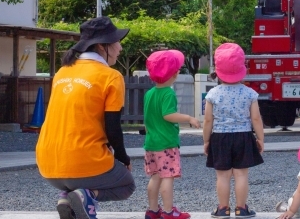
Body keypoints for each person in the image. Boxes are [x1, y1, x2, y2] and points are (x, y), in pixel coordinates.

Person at [36, 16, 135, 219]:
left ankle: (67, 197)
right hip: (83, 163)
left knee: (80, 182)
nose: (120, 48)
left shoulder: (62, 72)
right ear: (102, 46)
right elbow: (113, 126)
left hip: (47, 164)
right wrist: (123, 159)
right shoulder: (111, 76)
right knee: (127, 184)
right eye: (117, 42)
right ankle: (85, 195)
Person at [204, 43, 265, 218]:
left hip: (220, 137)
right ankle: (241, 208)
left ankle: (223, 208)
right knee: (241, 175)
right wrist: (260, 138)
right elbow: (256, 119)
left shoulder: (212, 94)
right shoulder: (250, 93)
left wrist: (206, 141)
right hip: (243, 136)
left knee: (222, 176)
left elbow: (209, 120)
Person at [143, 50, 201, 219]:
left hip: (151, 143)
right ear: (173, 74)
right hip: (166, 143)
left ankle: (152, 210)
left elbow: (147, 118)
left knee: (155, 177)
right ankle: (169, 212)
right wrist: (188, 118)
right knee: (168, 177)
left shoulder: (149, 93)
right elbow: (168, 114)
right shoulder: (168, 93)